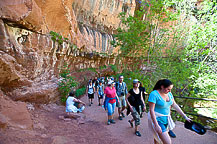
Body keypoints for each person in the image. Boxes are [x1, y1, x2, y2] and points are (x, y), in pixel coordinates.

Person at [148, 79, 191, 144]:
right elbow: (151, 110)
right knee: (168, 142)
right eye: (168, 89)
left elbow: (174, 104)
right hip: (157, 119)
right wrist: (156, 124)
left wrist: (185, 117)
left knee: (157, 137)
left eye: (170, 89)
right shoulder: (154, 94)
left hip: (166, 119)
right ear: (162, 87)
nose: (170, 91)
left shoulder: (169, 94)